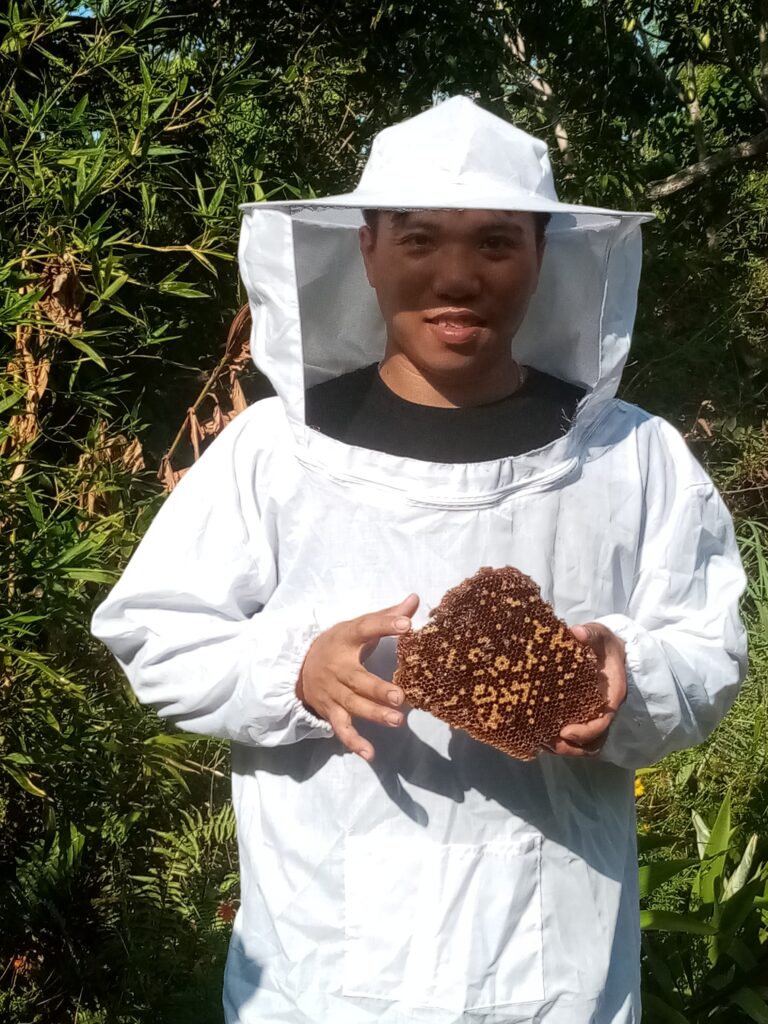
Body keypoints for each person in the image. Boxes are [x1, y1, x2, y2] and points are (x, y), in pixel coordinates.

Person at [92, 96, 747, 1024]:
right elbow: (154, 632)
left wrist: (625, 676)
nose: (458, 274)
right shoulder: (273, 451)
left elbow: (710, 647)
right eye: (420, 239)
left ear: (542, 255)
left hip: (559, 973)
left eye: (495, 242)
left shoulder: (633, 458)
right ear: (366, 249)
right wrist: (298, 673)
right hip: (320, 973)